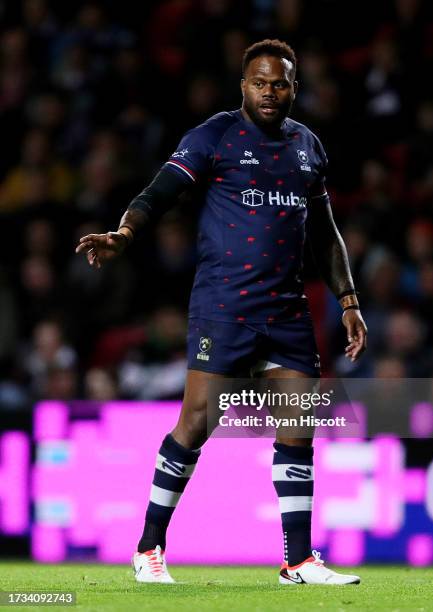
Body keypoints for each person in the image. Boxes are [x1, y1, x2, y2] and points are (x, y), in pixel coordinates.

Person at [76, 39, 367, 585]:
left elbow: (326, 234)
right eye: (259, 82)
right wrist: (125, 233)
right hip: (224, 307)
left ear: (294, 88)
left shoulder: (308, 147)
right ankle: (148, 547)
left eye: (279, 83)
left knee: (300, 424)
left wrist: (349, 301)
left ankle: (298, 560)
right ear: (243, 86)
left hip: (286, 311)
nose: (269, 92)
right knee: (196, 423)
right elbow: (159, 192)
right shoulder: (214, 136)